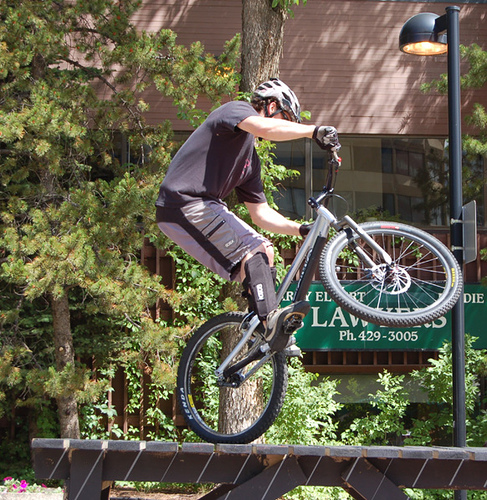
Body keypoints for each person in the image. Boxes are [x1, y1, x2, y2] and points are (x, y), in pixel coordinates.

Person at [156, 78, 340, 354]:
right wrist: (313, 132)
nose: (286, 127)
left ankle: (259, 327)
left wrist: (301, 229)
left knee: (265, 251)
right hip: (185, 200)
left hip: (200, 206)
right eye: (286, 119)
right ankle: (269, 322)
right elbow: (265, 127)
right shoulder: (235, 111)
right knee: (253, 249)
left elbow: (261, 214)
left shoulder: (249, 162)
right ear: (272, 106)